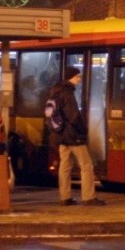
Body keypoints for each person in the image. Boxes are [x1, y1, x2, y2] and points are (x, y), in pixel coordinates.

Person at [48, 66, 105, 206]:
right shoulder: (68, 93)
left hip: (60, 135)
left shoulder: (54, 92)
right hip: (73, 135)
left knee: (65, 165)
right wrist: (83, 130)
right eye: (77, 76)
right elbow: (73, 115)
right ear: (70, 77)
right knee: (86, 165)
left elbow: (49, 114)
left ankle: (65, 196)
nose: (79, 79)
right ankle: (88, 197)